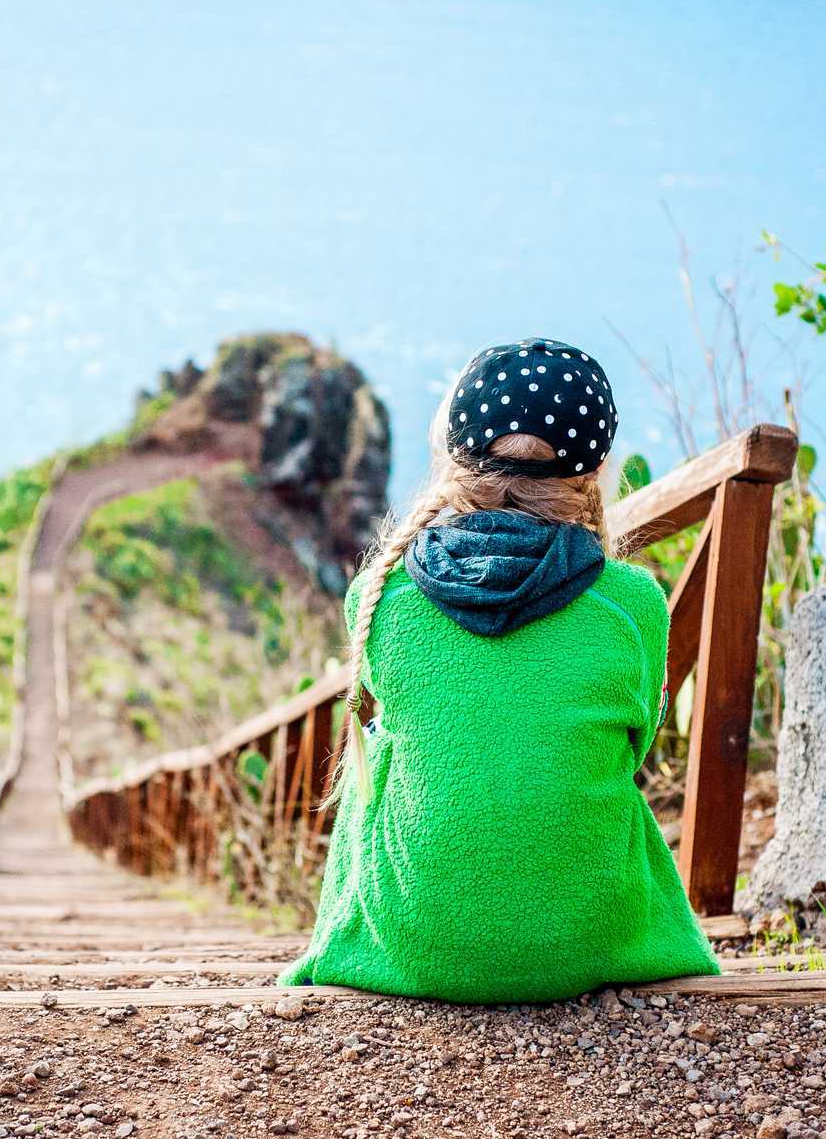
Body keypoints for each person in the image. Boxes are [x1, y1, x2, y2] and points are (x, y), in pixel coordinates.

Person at [280, 338, 720, 1003]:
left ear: (456, 458)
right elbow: (632, 746)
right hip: (583, 939)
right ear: (597, 469)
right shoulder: (633, 604)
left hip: (417, 942)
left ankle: (351, 934)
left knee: (375, 756)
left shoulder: (382, 596)